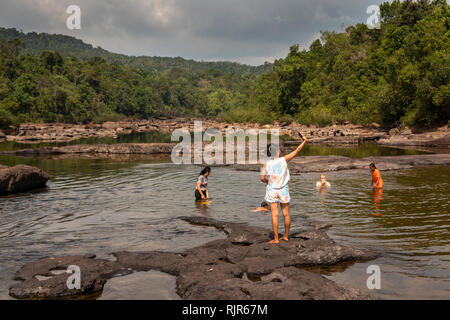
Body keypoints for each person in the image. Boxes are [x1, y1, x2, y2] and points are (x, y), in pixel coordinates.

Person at [260, 132, 308, 244]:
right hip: (283, 190)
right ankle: (286, 236)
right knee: (286, 214)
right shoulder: (284, 160)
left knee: (274, 215)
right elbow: (297, 150)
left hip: (272, 190)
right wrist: (304, 141)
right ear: (277, 151)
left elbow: (262, 178)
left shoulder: (265, 164)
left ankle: (276, 239)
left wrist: (268, 182)